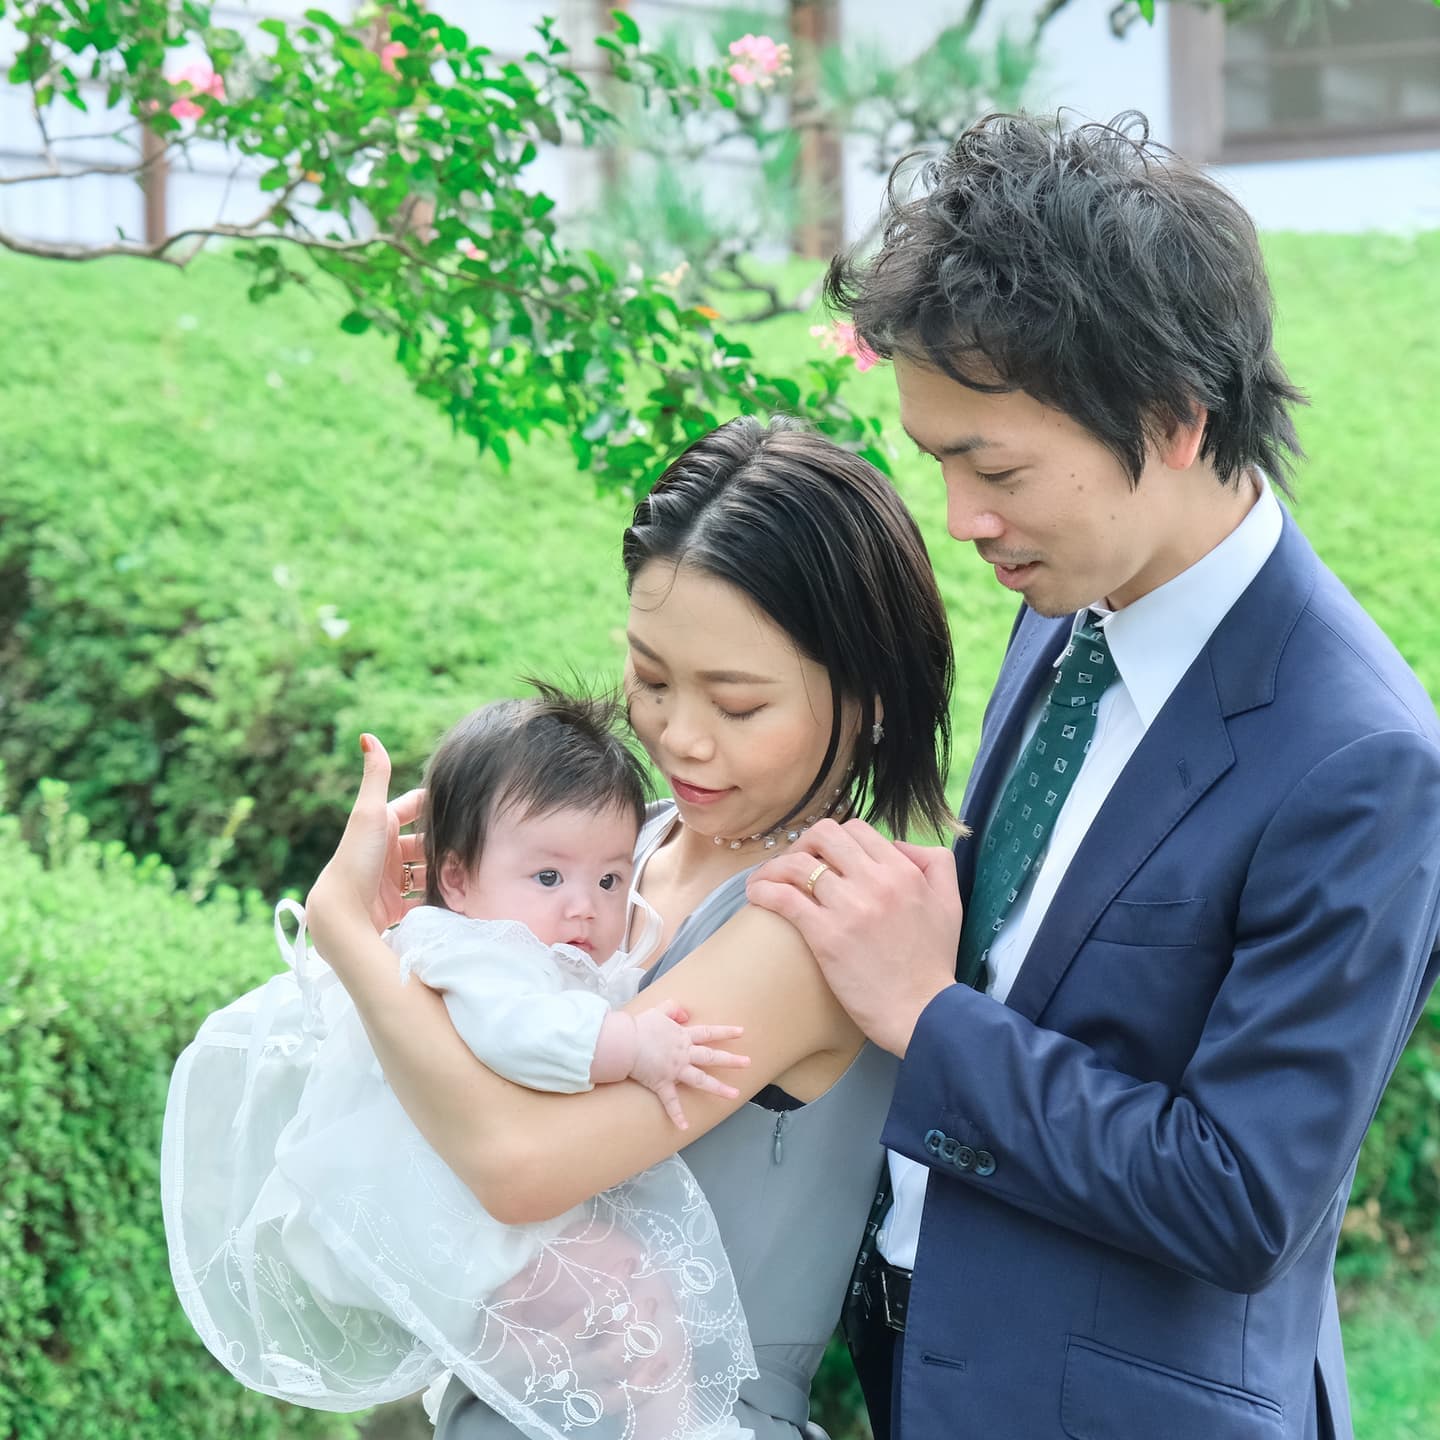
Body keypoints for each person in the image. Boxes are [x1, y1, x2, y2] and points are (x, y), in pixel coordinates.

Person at [744, 111, 1440, 1440]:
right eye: (939, 459)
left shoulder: (1360, 761)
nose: (961, 519)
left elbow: (1239, 1198)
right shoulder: (1070, 599)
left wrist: (927, 1015)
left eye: (995, 467)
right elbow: (1033, 951)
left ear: (1173, 418)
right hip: (925, 1364)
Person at [296, 416, 957, 1439]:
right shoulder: (624, 849)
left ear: (869, 699)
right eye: (651, 680)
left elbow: (518, 1166)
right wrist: (424, 946)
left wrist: (347, 935)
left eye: (738, 705)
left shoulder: (814, 918)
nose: (679, 737)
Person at [163, 687, 758, 1440]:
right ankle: (676, 1427)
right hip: (457, 1221)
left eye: (609, 880)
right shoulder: (475, 954)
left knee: (609, 1318)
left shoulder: (519, 944)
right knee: (632, 1283)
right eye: (549, 878)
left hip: (468, 1224)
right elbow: (522, 1035)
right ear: (455, 879)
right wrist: (634, 1047)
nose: (584, 906)